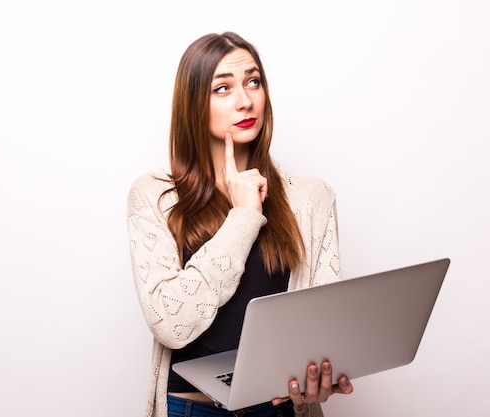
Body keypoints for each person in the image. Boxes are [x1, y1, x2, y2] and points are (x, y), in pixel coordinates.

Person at [126, 32, 354, 417]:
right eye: (222, 88)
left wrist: (318, 376)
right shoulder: (155, 197)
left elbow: (322, 325)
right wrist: (244, 217)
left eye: (253, 81)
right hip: (191, 409)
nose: (245, 100)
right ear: (193, 104)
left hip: (278, 408)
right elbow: (171, 322)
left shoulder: (312, 198)